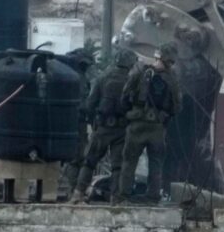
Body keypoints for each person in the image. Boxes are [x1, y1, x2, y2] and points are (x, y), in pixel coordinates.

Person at [69, 49, 139, 203]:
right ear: (130, 63)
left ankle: (78, 194)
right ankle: (115, 198)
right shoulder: (132, 80)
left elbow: (90, 103)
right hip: (121, 129)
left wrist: (93, 120)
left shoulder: (103, 78)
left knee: (89, 162)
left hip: (102, 128)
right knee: (117, 166)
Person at [116, 42, 182, 203]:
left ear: (157, 55)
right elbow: (177, 107)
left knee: (129, 162)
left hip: (137, 124)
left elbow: (124, 96)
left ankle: (123, 196)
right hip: (157, 128)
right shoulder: (172, 78)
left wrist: (129, 113)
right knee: (156, 163)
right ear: (170, 61)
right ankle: (152, 197)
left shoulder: (139, 72)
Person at [60, 48, 95, 194]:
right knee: (76, 157)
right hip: (76, 122)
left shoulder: (71, 75)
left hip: (72, 121)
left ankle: (71, 188)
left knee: (76, 156)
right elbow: (82, 103)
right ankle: (70, 189)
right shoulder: (78, 78)